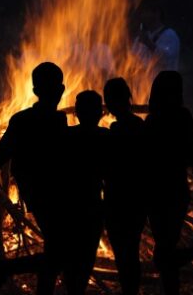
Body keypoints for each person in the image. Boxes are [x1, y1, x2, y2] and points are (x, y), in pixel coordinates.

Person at [0, 62, 68, 295]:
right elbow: (1, 153)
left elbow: (1, 153)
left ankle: (6, 271)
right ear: (61, 89)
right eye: (53, 88)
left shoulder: (43, 120)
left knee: (56, 248)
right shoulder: (36, 121)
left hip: (45, 193)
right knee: (60, 251)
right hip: (46, 194)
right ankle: (2, 268)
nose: (53, 92)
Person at [145, 71, 193, 294]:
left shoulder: (152, 120)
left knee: (163, 253)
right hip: (176, 193)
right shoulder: (183, 116)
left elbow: (145, 157)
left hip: (157, 194)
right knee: (165, 251)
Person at [102, 77, 147, 295]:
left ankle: (129, 289)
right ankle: (132, 289)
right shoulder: (140, 125)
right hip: (137, 200)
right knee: (132, 249)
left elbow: (109, 168)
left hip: (118, 201)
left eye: (108, 100)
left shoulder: (116, 131)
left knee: (123, 252)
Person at [61, 90, 107, 294]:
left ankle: (72, 289)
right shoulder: (106, 138)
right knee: (87, 257)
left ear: (76, 113)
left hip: (68, 207)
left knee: (69, 258)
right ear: (101, 113)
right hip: (93, 207)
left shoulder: (66, 137)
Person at [135, 6, 181, 72]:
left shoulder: (169, 35)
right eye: (141, 13)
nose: (142, 16)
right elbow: (133, 59)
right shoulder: (141, 38)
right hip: (145, 82)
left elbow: (166, 59)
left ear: (157, 13)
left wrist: (148, 44)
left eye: (145, 12)